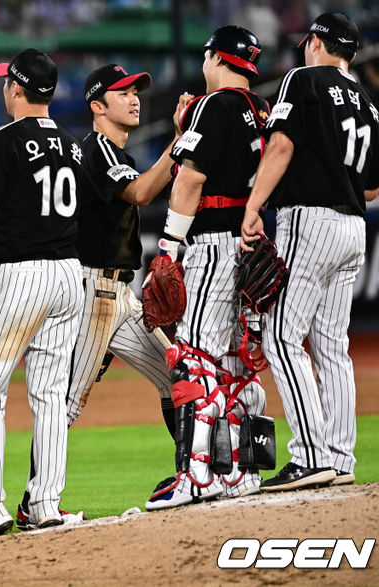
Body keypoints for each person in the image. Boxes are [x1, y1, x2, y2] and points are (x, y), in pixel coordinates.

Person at [16, 64, 191, 529]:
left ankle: (189, 476)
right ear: (97, 106)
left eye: (136, 90)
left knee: (178, 377)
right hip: (92, 292)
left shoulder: (113, 151)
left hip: (121, 293)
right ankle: (35, 502)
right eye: (122, 92)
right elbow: (141, 192)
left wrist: (177, 142)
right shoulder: (93, 150)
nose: (134, 98)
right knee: (68, 403)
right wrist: (182, 144)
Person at [242, 12, 379, 492]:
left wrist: (253, 206)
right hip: (353, 227)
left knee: (282, 336)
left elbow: (281, 146)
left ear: (315, 43)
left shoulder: (303, 79)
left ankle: (309, 455)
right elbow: (371, 188)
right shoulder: (367, 103)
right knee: (332, 346)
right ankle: (341, 457)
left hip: (310, 219)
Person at [0, 48, 85, 542]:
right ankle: (46, 503)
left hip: (20, 276)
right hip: (69, 275)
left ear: (17, 89)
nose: (4, 88)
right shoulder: (72, 145)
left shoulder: (0, 140)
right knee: (49, 394)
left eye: (8, 82)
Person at [144, 26, 271, 510]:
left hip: (213, 242)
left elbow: (190, 178)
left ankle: (197, 475)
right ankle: (239, 473)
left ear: (214, 57)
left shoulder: (212, 104)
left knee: (194, 360)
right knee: (237, 365)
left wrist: (169, 246)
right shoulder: (260, 108)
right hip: (249, 241)